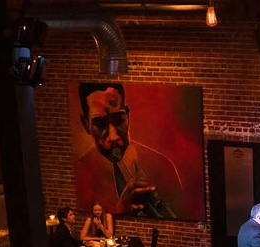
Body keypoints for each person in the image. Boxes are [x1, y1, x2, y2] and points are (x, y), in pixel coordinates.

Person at [74, 82, 182, 218]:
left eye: (119, 119)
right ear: (85, 124)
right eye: (100, 123)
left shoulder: (163, 167)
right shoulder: (81, 174)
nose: (113, 137)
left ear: (128, 116)